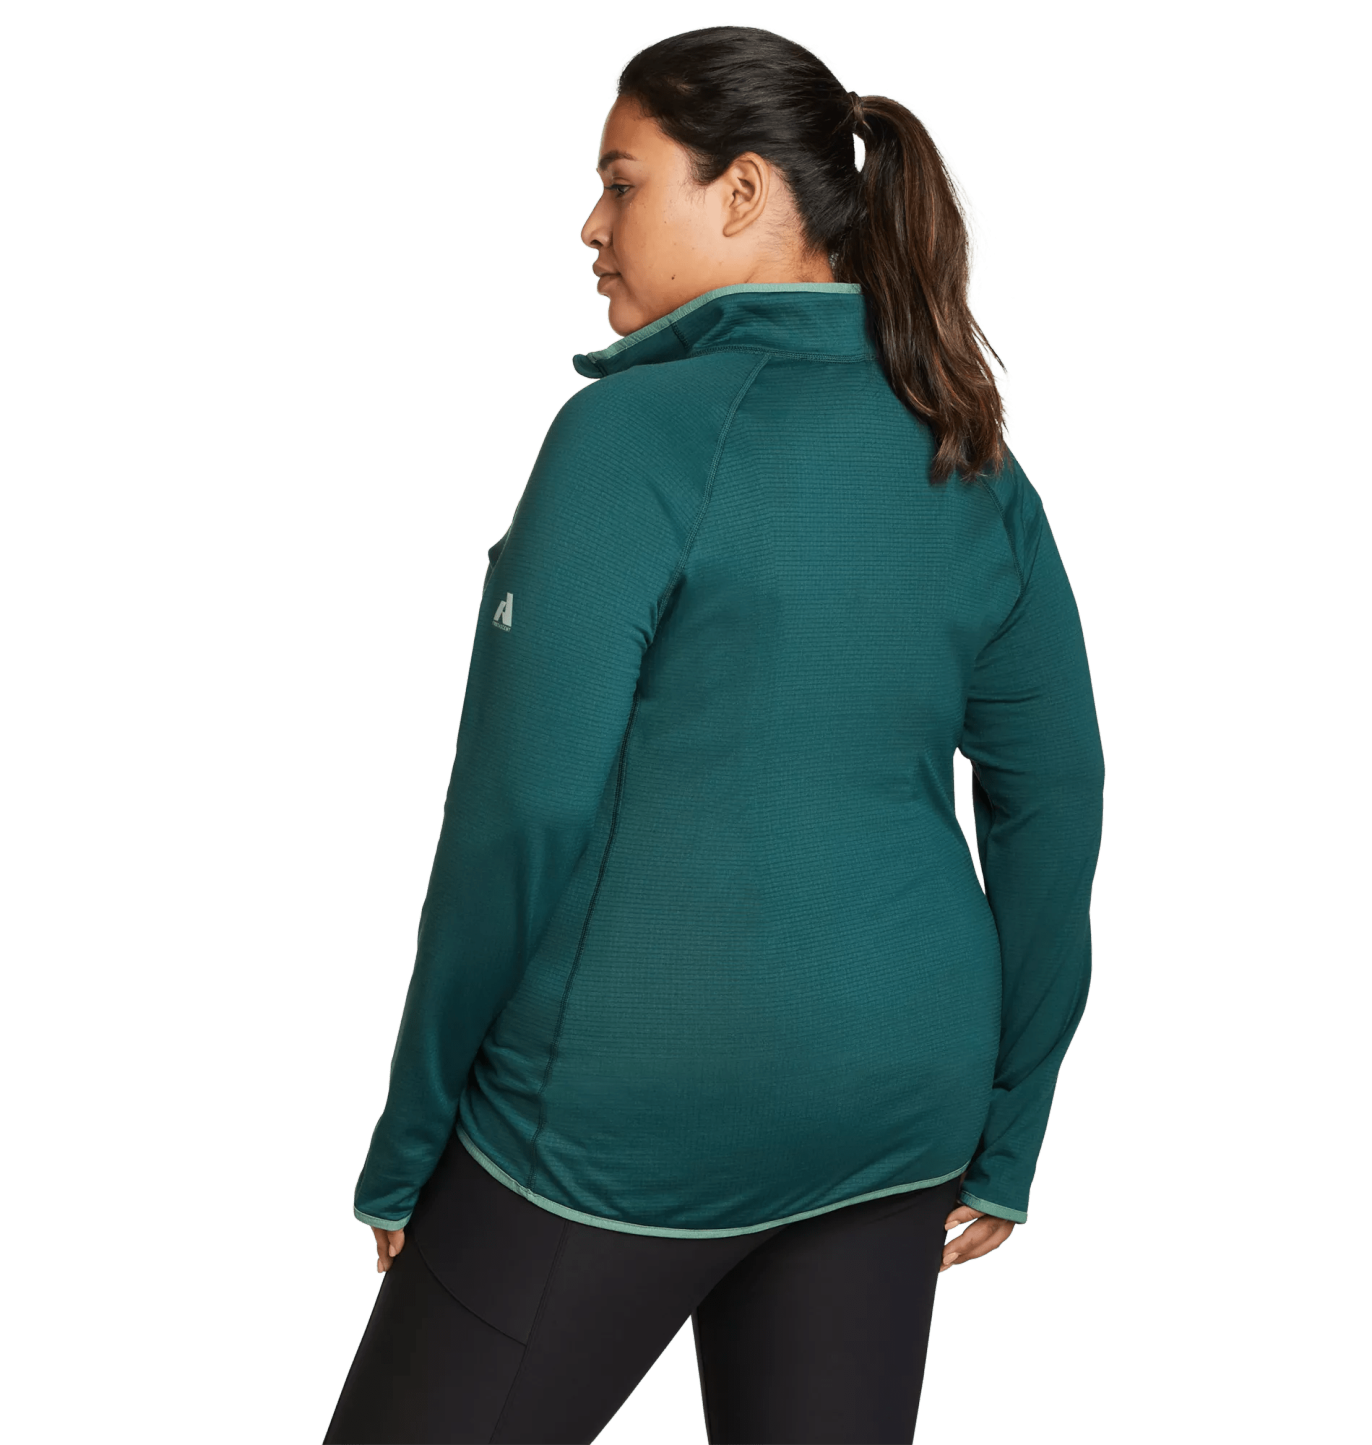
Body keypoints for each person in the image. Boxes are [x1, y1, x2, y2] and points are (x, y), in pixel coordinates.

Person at [323, 22, 1105, 1445]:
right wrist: (1011, 1118)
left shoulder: (630, 438)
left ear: (743, 191)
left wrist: (414, 1132)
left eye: (622, 184)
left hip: (623, 1113)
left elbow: (523, 811)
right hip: (897, 1106)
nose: (591, 225)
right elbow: (1054, 797)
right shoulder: (968, 451)